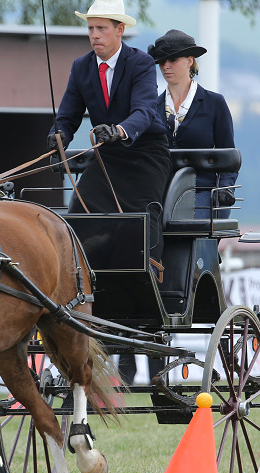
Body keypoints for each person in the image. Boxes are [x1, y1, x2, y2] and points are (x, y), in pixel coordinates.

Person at [48, 0, 170, 273]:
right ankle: (77, 275)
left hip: (145, 154)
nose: (94, 35)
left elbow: (145, 110)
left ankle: (149, 272)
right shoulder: (81, 67)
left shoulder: (141, 63)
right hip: (108, 155)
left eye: (101, 28)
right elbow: (68, 116)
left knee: (142, 214)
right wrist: (59, 137)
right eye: (91, 28)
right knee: (79, 212)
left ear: (120, 30)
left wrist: (119, 130)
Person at [148, 29, 238, 219]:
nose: (166, 66)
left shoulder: (214, 104)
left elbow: (227, 153)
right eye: (162, 61)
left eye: (172, 60)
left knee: (186, 225)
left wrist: (225, 190)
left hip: (204, 193)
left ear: (190, 60)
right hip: (159, 193)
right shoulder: (151, 107)